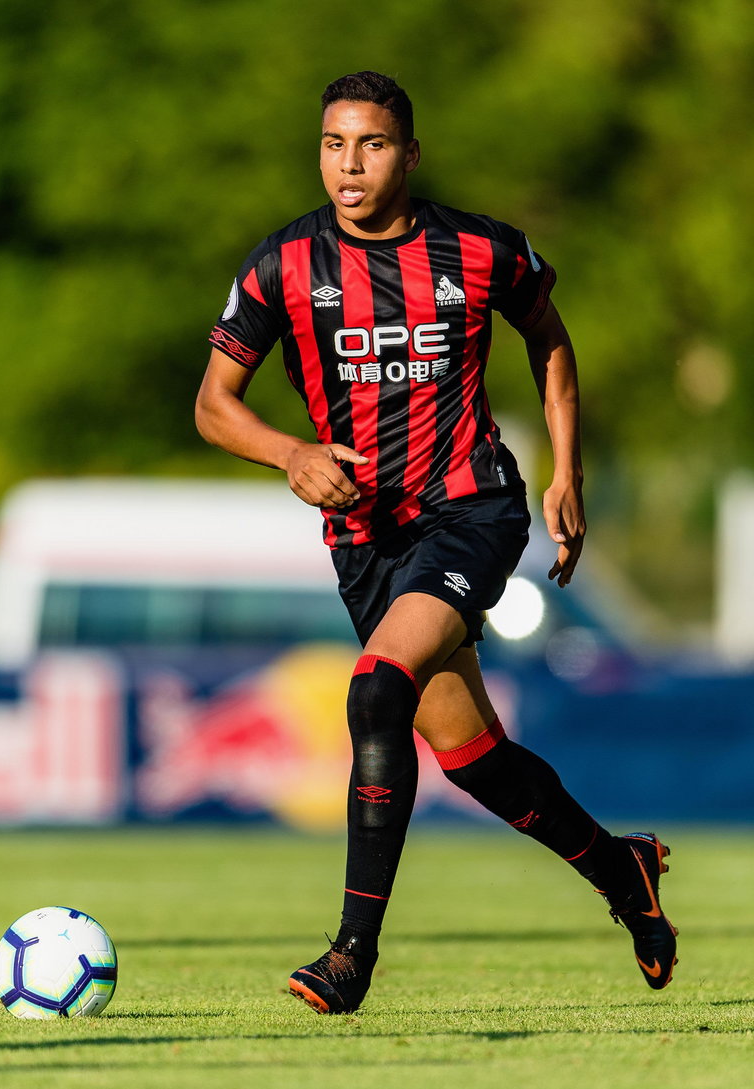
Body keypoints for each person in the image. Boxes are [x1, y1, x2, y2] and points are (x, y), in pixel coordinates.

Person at [195, 71, 677, 1014]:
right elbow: (213, 405)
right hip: (365, 538)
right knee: (473, 756)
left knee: (378, 689)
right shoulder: (285, 263)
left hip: (471, 509)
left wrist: (567, 470)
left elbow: (550, 339)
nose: (349, 164)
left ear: (409, 155)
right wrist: (290, 451)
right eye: (333, 143)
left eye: (370, 145)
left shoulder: (478, 248)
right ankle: (627, 873)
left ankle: (351, 954)